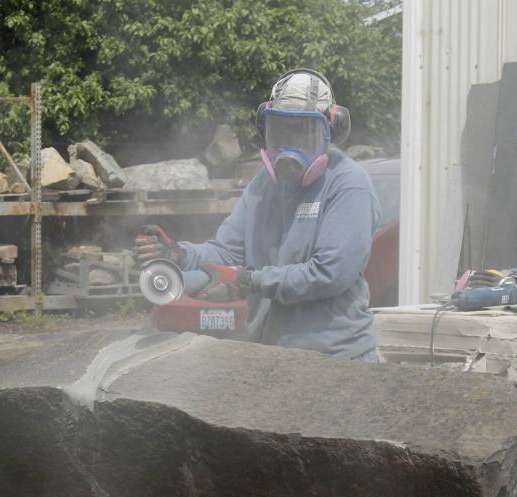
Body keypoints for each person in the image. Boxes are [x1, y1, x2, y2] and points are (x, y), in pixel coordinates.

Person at [135, 68, 382, 361]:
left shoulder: (348, 184)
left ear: (329, 130)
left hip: (338, 358)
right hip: (271, 354)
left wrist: (252, 280)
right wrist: (180, 254)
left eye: (303, 131)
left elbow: (330, 274)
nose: (290, 144)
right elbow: (227, 252)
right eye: (281, 129)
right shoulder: (263, 185)